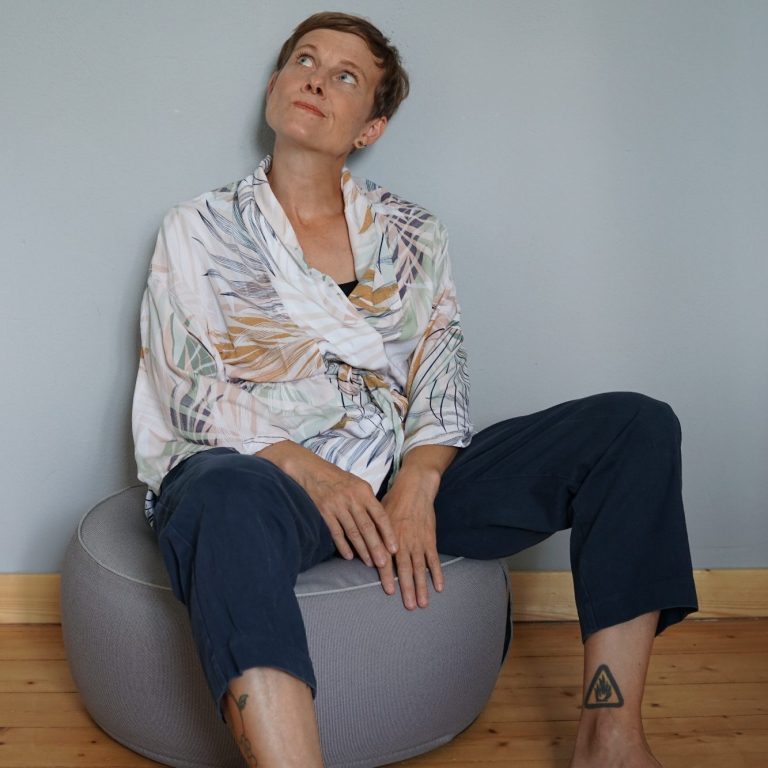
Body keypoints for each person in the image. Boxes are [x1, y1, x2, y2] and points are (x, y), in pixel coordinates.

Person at [131, 11, 698, 768]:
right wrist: (311, 471)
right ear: (274, 87)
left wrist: (419, 483)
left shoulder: (413, 233)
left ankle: (610, 740)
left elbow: (441, 372)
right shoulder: (197, 227)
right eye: (304, 61)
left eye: (345, 76)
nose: (315, 80)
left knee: (635, 426)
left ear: (371, 127)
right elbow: (186, 386)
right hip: (268, 481)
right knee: (219, 492)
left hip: (396, 472)